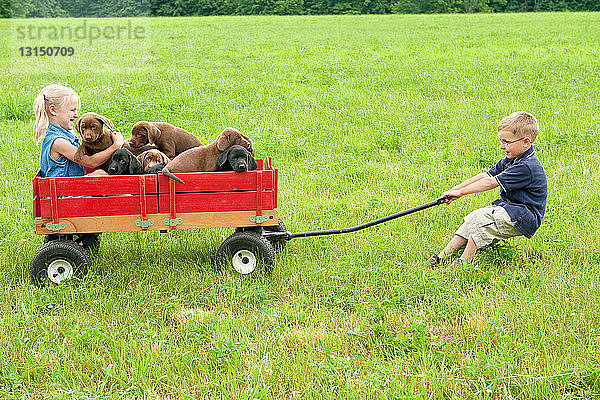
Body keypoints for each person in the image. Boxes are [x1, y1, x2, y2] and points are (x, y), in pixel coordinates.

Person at [429, 111, 548, 268]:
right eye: (501, 141)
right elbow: (485, 175)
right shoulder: (512, 158)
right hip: (510, 208)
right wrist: (455, 190)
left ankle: (463, 262)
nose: (502, 146)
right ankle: (442, 258)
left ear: (525, 142)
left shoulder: (527, 166)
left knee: (481, 219)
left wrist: (461, 193)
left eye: (506, 142)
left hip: (524, 215)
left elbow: (490, 182)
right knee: (471, 220)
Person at [33, 84, 123, 178]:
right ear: (53, 110)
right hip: (64, 190)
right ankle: (133, 192)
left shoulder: (66, 135)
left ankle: (131, 192)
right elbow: (91, 162)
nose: (76, 115)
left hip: (71, 186)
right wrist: (116, 145)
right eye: (72, 110)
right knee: (102, 176)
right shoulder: (58, 141)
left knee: (101, 174)